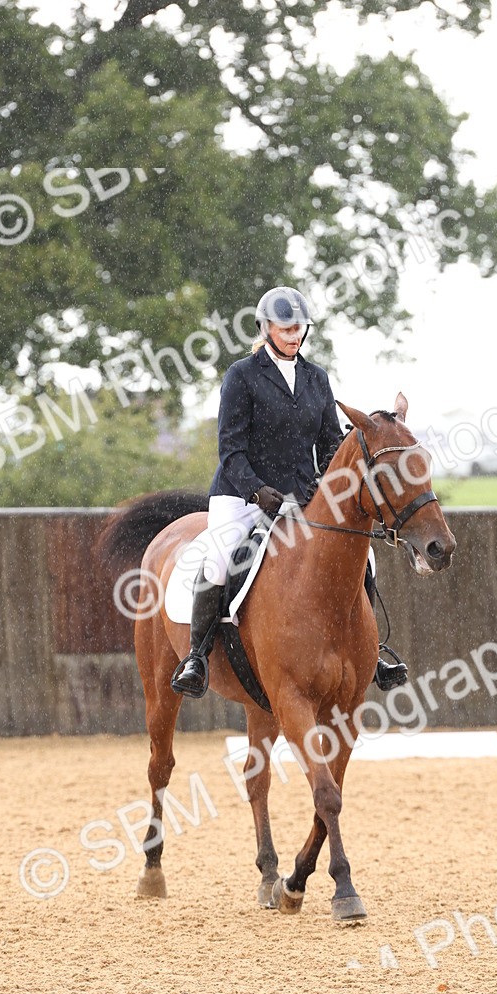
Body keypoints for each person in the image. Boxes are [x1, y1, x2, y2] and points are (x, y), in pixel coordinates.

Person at [170, 285, 408, 698]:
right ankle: (197, 655)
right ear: (266, 329)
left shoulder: (317, 378)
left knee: (363, 557)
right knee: (220, 557)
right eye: (285, 328)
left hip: (301, 498)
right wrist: (256, 489)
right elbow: (230, 449)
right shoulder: (242, 376)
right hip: (241, 495)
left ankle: (371, 652)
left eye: (299, 328)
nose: (293, 335)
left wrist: (329, 489)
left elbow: (332, 445)